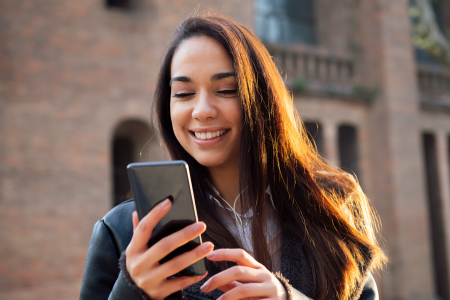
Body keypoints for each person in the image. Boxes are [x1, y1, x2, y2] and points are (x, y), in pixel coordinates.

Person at [80, 15, 386, 300]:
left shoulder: (333, 205)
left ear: (262, 99)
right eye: (184, 94)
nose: (201, 110)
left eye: (226, 90)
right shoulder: (122, 232)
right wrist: (133, 291)